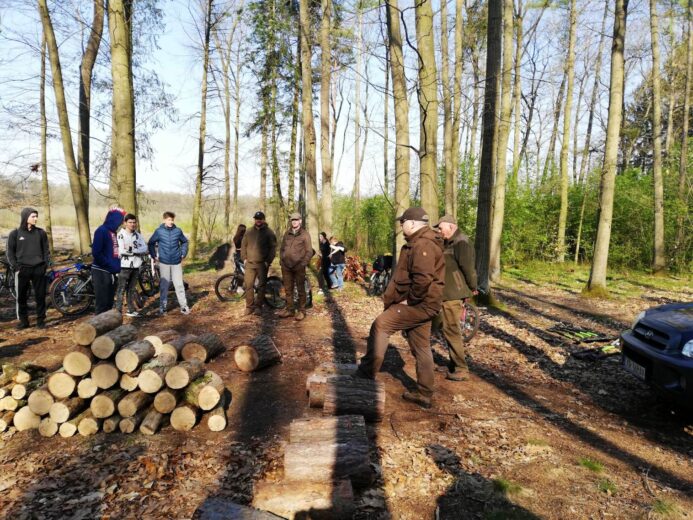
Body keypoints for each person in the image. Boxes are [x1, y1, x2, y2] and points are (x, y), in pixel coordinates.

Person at [356, 207, 445, 409]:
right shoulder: (421, 242)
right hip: (426, 305)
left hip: (419, 305)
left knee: (381, 325)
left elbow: (423, 279)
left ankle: (365, 374)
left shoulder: (422, 244)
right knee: (421, 346)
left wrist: (411, 300)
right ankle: (424, 393)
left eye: (402, 222)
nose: (400, 225)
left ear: (412, 223)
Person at [433, 215, 478, 381]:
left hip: (454, 293)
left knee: (452, 329)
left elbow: (468, 268)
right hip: (446, 292)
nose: (439, 231)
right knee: (447, 329)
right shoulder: (449, 241)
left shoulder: (461, 242)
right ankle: (453, 364)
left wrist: (473, 287)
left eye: (440, 228)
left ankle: (461, 368)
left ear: (451, 227)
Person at [6, 207, 50, 329]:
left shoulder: (41, 233)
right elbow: (10, 252)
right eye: (33, 216)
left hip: (38, 269)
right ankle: (24, 321)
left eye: (36, 216)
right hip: (22, 269)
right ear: (26, 217)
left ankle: (41, 321)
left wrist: (44, 265)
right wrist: (16, 267)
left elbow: (46, 251)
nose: (36, 218)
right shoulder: (15, 234)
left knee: (40, 296)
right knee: (21, 297)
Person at [148, 211, 190, 315]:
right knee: (164, 286)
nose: (170, 222)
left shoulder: (178, 231)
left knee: (179, 285)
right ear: (164, 220)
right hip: (164, 262)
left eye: (172, 220)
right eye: (168, 220)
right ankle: (163, 308)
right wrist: (154, 255)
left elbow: (184, 242)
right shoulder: (159, 231)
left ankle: (184, 307)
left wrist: (183, 253)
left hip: (176, 262)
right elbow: (151, 243)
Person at [277, 212, 313, 321]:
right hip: (286, 267)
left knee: (301, 289)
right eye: (293, 220)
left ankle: (302, 311)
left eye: (296, 220)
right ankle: (290, 309)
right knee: (288, 289)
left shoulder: (305, 234)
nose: (294, 222)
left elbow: (309, 251)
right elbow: (282, 248)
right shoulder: (287, 233)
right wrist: (281, 260)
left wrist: (303, 263)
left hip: (298, 267)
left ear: (300, 221)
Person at [240, 211, 277, 315]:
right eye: (256, 219)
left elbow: (273, 249)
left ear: (263, 220)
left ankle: (258, 307)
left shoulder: (269, 232)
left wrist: (267, 262)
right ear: (254, 220)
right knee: (248, 285)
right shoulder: (248, 231)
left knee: (261, 286)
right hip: (250, 264)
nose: (258, 221)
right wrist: (244, 259)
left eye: (260, 219)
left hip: (262, 264)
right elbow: (243, 246)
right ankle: (249, 307)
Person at [92, 208, 126, 314]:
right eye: (120, 220)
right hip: (101, 271)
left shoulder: (113, 232)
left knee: (109, 303)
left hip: (111, 272)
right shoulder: (101, 231)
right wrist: (109, 264)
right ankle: (99, 327)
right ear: (114, 219)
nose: (121, 223)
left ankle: (108, 328)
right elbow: (96, 252)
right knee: (102, 303)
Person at [115, 213, 148, 317]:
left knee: (132, 289)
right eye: (130, 222)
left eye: (134, 222)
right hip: (124, 266)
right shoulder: (120, 235)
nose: (132, 224)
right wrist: (137, 251)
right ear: (125, 223)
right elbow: (122, 250)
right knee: (121, 289)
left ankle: (131, 309)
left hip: (136, 265)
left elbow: (145, 248)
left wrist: (132, 250)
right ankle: (118, 312)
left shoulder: (138, 235)